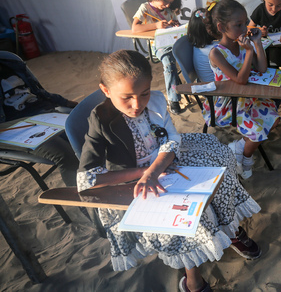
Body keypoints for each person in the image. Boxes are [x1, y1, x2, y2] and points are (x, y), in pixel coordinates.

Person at [77, 50, 262, 292]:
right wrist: (144, 174)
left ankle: (229, 227)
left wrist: (156, 168)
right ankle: (193, 278)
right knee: (190, 209)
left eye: (143, 93)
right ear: (106, 91)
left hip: (165, 161)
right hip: (137, 179)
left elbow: (171, 139)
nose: (137, 105)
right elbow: (88, 179)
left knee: (222, 160)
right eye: (127, 98)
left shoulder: (154, 100)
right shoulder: (100, 120)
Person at [205, 0, 280, 179]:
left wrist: (257, 43)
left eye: (246, 22)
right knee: (258, 131)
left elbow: (262, 69)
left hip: (248, 98)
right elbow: (240, 79)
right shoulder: (217, 53)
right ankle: (246, 158)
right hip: (229, 103)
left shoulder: (243, 43)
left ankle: (238, 149)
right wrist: (248, 52)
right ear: (222, 27)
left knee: (274, 120)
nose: (245, 28)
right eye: (239, 25)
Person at [0, 53, 78, 186]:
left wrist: (67, 102)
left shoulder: (8, 60)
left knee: (89, 132)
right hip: (11, 128)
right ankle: (85, 203)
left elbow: (37, 91)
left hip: (42, 113)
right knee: (65, 154)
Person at [131, 0, 183, 115]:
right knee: (169, 62)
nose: (167, 5)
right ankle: (174, 100)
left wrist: (173, 24)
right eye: (165, 0)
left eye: (170, 2)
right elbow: (134, 28)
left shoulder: (169, 9)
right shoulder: (145, 8)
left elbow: (174, 24)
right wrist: (156, 25)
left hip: (173, 42)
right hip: (158, 46)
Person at [187, 8, 217, 82]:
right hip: (217, 90)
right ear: (210, 30)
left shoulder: (198, 44)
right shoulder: (215, 48)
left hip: (208, 86)